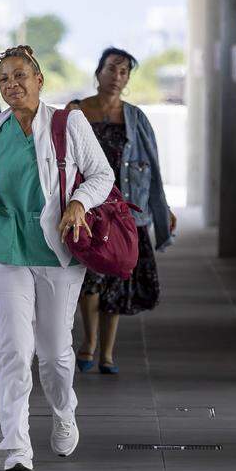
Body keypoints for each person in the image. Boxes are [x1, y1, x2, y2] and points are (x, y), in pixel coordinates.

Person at [0, 45, 114, 471]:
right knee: (15, 347)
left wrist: (78, 203)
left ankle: (63, 412)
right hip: (4, 243)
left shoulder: (68, 123)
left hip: (55, 248)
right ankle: (16, 444)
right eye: (4, 80)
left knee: (54, 351)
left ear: (39, 80)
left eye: (20, 77)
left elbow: (102, 174)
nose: (11, 85)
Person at [72, 48, 176, 375]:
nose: (117, 76)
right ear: (98, 71)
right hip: (88, 209)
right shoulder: (77, 112)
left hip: (124, 213)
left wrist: (163, 210)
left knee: (116, 280)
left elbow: (153, 168)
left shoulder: (136, 118)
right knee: (89, 281)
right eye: (112, 69)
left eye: (124, 71)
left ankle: (107, 352)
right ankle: (88, 342)